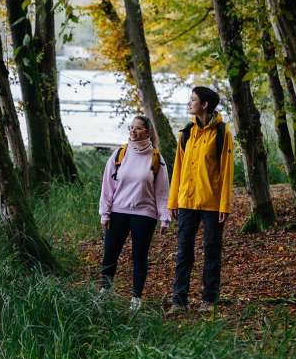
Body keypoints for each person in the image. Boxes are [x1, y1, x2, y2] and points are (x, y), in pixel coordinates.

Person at [167, 86, 234, 314]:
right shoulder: (186, 133)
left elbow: (227, 172)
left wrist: (224, 204)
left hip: (212, 203)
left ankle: (209, 300)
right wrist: (173, 201)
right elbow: (178, 168)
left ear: (204, 105)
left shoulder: (223, 133)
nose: (189, 103)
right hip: (186, 201)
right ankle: (179, 301)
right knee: (183, 251)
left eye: (193, 100)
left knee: (212, 250)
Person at [98, 115, 170, 310]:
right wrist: (105, 213)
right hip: (118, 211)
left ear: (147, 132)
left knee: (139, 256)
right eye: (131, 128)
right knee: (110, 253)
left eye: (137, 128)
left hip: (145, 214)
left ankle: (136, 298)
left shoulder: (156, 158)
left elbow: (162, 191)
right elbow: (107, 186)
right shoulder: (119, 154)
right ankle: (105, 292)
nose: (133, 131)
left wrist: (165, 217)